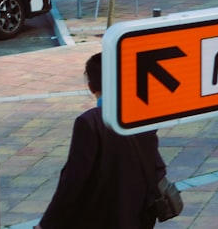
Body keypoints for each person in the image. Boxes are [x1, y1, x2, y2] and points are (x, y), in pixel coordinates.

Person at [37, 53, 165, 229]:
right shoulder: (142, 115)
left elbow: (73, 181)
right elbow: (156, 167)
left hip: (98, 218)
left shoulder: (89, 122)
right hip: (138, 217)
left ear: (91, 87)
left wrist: (47, 224)